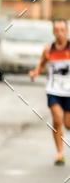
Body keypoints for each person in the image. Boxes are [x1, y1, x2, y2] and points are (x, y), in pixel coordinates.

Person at [29, 18, 70, 165]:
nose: (59, 33)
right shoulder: (48, 50)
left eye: (62, 30)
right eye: (57, 30)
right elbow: (41, 65)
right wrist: (35, 73)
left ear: (67, 31)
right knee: (57, 120)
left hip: (69, 93)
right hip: (54, 91)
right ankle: (60, 153)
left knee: (68, 124)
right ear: (53, 32)